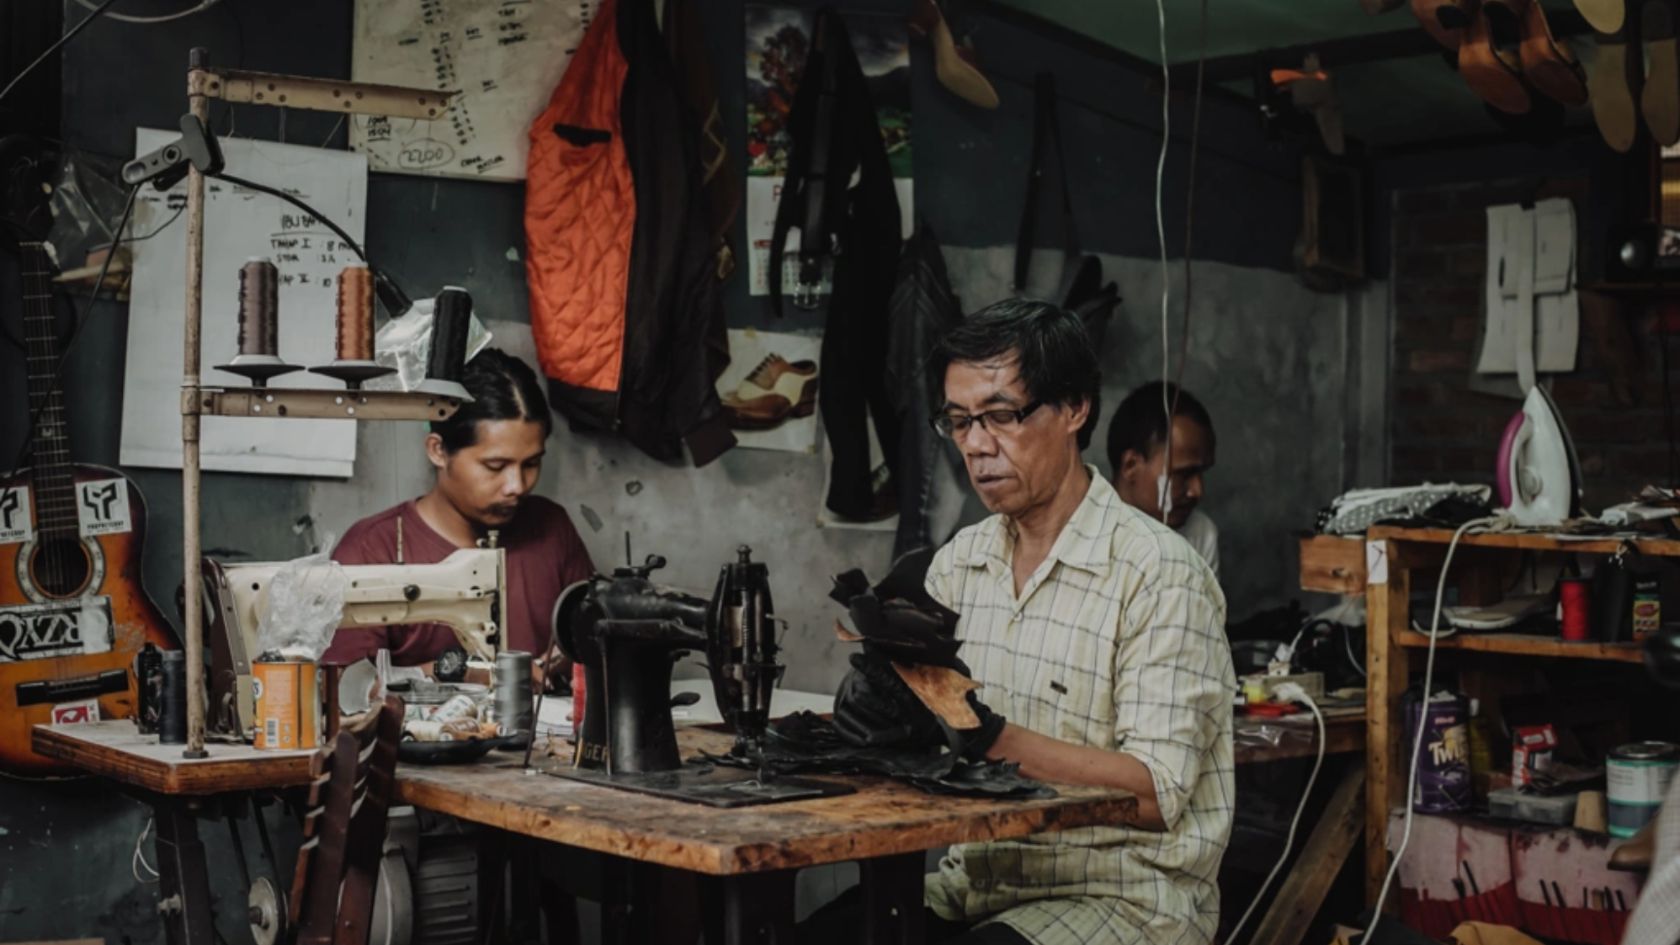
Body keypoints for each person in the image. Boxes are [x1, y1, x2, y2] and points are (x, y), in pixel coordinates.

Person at [812, 300, 1233, 945]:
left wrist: (988, 737)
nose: (978, 445)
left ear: (1073, 409)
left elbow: (1153, 792)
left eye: (1002, 416)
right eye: (959, 423)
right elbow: (921, 737)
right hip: (980, 883)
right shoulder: (961, 564)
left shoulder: (1157, 573)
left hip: (1124, 901)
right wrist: (878, 716)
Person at [320, 348, 594, 685]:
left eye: (531, 464)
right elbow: (344, 691)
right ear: (438, 450)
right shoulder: (371, 550)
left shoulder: (553, 529)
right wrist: (463, 671)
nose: (517, 486)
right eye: (495, 466)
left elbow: (594, 651)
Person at [1106, 381, 1220, 577]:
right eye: (1183, 474)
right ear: (1131, 466)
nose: (1197, 490)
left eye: (1201, 473)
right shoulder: (1080, 533)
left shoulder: (1199, 534)